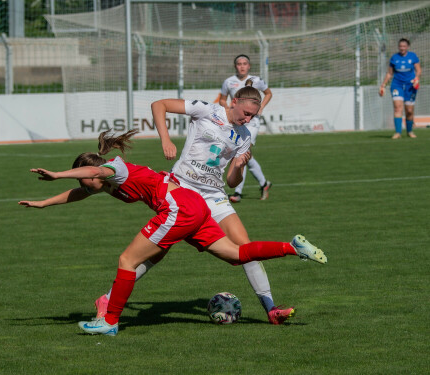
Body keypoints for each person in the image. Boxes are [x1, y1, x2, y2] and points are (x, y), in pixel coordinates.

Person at [19, 129, 327, 336]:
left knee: (127, 260)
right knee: (235, 255)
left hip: (179, 208)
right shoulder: (103, 183)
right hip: (194, 206)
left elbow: (95, 173)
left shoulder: (115, 168)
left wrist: (57, 173)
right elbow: (81, 192)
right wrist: (44, 203)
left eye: (86, 181)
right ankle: (291, 247)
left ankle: (110, 322)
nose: (86, 187)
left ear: (94, 173)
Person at [93, 83, 297, 326]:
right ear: (234, 102)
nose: (249, 119)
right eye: (246, 113)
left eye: (253, 116)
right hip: (182, 190)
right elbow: (159, 105)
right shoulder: (207, 110)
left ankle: (271, 309)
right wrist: (166, 140)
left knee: (245, 248)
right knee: (156, 253)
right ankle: (107, 299)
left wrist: (240, 166)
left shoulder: (244, 136)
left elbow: (232, 181)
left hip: (214, 195)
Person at [219, 54, 273, 202]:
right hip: (238, 120)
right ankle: (264, 184)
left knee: (241, 152)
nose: (242, 66)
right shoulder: (228, 82)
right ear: (235, 66)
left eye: (244, 63)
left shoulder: (256, 80)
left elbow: (268, 93)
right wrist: (228, 107)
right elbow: (222, 99)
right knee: (246, 156)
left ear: (249, 66)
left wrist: (260, 108)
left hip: (253, 122)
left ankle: (237, 192)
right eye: (239, 64)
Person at [379, 38, 421, 139]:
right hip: (397, 85)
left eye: (404, 46)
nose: (402, 48)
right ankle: (398, 132)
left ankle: (409, 131)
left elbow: (418, 70)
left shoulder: (413, 56)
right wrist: (383, 85)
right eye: (400, 46)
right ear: (398, 47)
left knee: (409, 110)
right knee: (397, 107)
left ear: (407, 47)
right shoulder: (394, 58)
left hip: (410, 85)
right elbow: (389, 73)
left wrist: (416, 78)